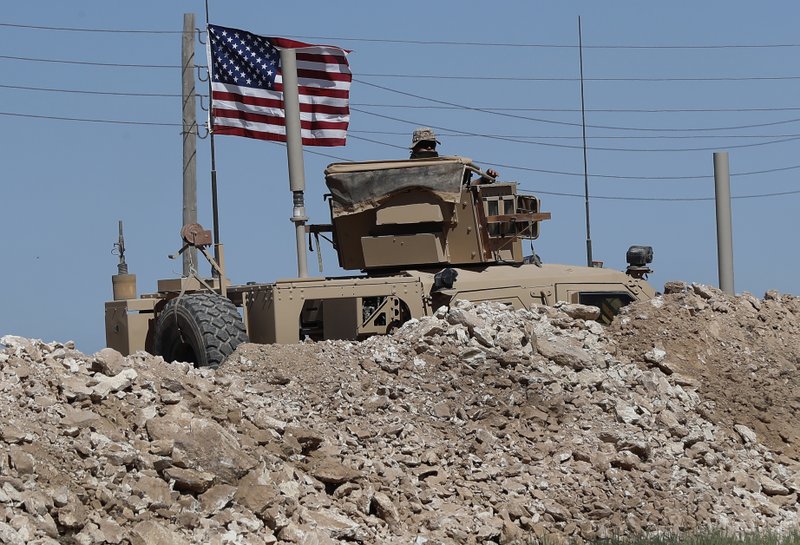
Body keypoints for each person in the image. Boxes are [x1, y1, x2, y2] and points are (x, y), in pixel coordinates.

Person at [408, 127, 499, 182]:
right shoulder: (404, 171)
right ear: (414, 148)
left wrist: (484, 179)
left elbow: (462, 190)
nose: (429, 148)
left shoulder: (444, 169)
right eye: (424, 144)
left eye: (432, 145)